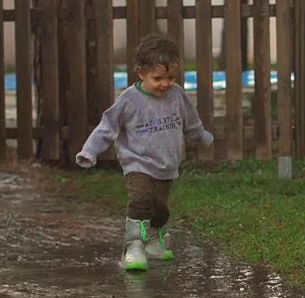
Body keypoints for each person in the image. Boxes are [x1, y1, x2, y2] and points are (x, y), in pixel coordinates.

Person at [75, 33, 213, 271]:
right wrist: (90, 151)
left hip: (167, 164)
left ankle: (153, 241)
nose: (165, 84)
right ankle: (135, 245)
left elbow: (190, 121)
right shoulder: (130, 99)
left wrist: (201, 137)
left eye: (171, 77)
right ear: (141, 73)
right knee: (140, 201)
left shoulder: (177, 95)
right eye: (158, 78)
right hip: (137, 163)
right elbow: (107, 126)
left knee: (160, 208)